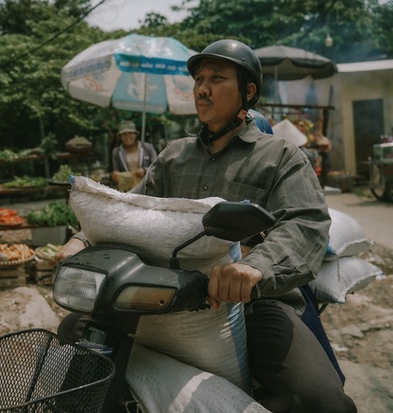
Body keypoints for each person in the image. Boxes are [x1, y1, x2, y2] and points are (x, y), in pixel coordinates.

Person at [56, 39, 356, 413]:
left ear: (248, 91)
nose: (202, 87)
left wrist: (255, 267)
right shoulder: (173, 156)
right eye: (199, 78)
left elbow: (306, 222)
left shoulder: (280, 156)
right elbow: (127, 208)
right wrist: (82, 238)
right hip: (165, 290)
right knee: (75, 331)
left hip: (254, 302)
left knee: (322, 402)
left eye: (216, 78)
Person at [110, 120, 157, 191]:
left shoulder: (148, 147)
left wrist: (144, 170)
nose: (127, 136)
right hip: (129, 190)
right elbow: (116, 170)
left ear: (135, 134)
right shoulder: (116, 152)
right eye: (124, 134)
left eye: (130, 133)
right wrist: (115, 176)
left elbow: (156, 166)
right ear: (120, 136)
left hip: (147, 187)